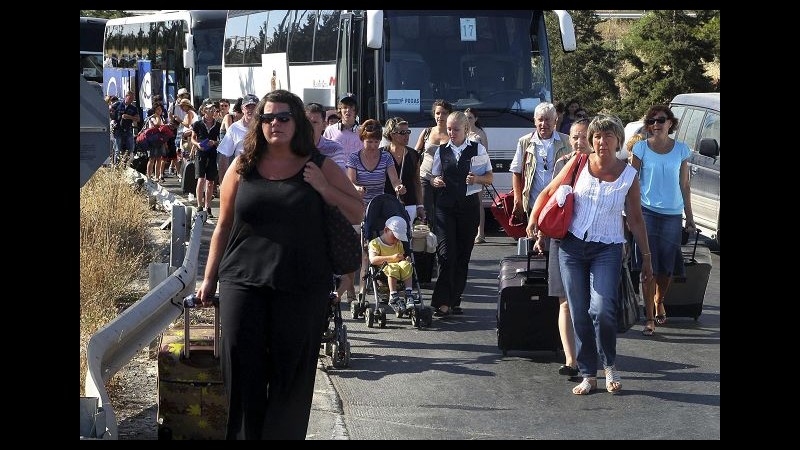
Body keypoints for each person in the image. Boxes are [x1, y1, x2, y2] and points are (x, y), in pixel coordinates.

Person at [196, 90, 362, 439]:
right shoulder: (243, 166)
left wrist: (323, 188)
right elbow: (223, 226)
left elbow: (357, 210)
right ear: (259, 124)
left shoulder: (318, 164)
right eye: (267, 118)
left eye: (283, 117)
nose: (275, 124)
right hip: (243, 281)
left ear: (297, 122)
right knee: (242, 375)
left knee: (291, 378)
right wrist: (208, 279)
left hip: (302, 287)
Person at [527, 115, 653, 395]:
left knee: (602, 308)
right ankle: (588, 373)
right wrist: (534, 219)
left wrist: (646, 256)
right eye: (596, 136)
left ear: (618, 141)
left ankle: (609, 365)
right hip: (571, 247)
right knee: (579, 312)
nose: (601, 141)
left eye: (608, 136)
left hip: (607, 248)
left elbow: (635, 218)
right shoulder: (579, 162)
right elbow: (549, 190)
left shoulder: (629, 174)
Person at [531, 118, 590, 377]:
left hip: (591, 241)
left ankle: (590, 353)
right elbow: (550, 199)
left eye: (584, 136)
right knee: (564, 300)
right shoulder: (562, 164)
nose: (578, 142)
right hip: (561, 238)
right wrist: (540, 231)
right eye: (575, 137)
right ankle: (571, 360)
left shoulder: (601, 167)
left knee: (590, 304)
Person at [630, 105, 695, 336]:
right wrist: (629, 213)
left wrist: (690, 217)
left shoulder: (681, 150)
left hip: (673, 214)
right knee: (648, 265)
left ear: (670, 123)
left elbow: (685, 185)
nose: (655, 125)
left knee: (666, 267)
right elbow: (631, 181)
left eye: (660, 120)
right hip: (646, 212)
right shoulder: (640, 148)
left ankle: (659, 299)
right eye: (651, 121)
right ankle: (649, 317)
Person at [429, 111, 493, 317]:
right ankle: (442, 302)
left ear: (465, 129)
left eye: (456, 129)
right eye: (449, 128)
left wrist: (477, 179)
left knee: (463, 257)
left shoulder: (477, 148)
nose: (451, 132)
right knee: (447, 255)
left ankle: (454, 299)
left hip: (468, 209)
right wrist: (435, 181)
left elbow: (490, 177)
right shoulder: (441, 150)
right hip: (445, 208)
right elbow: (434, 176)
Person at [346, 119, 407, 302]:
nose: (372, 145)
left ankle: (377, 287)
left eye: (375, 141)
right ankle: (350, 289)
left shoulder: (386, 157)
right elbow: (350, 182)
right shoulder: (354, 158)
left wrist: (398, 187)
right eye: (368, 141)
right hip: (358, 205)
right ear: (362, 140)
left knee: (373, 248)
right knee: (353, 249)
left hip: (378, 205)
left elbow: (394, 179)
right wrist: (356, 188)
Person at [510, 102, 572, 221]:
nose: (544, 124)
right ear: (535, 121)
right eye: (540, 120)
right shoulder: (524, 142)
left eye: (548, 120)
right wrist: (517, 200)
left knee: (555, 238)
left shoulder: (567, 141)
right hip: (533, 203)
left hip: (558, 203)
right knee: (534, 237)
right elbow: (516, 171)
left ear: (555, 121)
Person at [368, 216, 418, 314]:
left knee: (406, 265)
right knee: (393, 267)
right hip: (382, 270)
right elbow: (373, 260)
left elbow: (401, 257)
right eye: (394, 237)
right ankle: (393, 295)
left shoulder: (398, 244)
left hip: (399, 269)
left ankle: (408, 293)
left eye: (398, 238)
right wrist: (392, 258)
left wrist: (405, 259)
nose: (396, 240)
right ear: (386, 230)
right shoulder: (375, 243)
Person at [415, 99, 453, 226]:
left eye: (444, 113)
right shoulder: (427, 132)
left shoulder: (453, 134)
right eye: (437, 113)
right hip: (425, 177)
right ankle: (425, 241)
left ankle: (440, 242)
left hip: (445, 180)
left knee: (442, 214)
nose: (440, 116)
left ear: (449, 115)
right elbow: (415, 154)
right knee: (425, 212)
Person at [382, 117, 424, 224]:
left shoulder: (414, 155)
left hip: (409, 203)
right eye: (402, 132)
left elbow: (417, 182)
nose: (407, 135)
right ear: (392, 134)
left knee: (406, 237)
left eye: (408, 132)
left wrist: (420, 206)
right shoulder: (382, 153)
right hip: (386, 202)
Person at [217, 94, 259, 184]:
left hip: (262, 177)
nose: (251, 110)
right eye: (248, 107)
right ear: (242, 109)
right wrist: (223, 183)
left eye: (254, 107)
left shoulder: (264, 127)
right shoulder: (234, 128)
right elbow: (224, 156)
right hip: (243, 177)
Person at [191, 102, 221, 216]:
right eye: (209, 109)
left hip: (212, 153)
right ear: (204, 111)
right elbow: (193, 139)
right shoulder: (198, 124)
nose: (212, 111)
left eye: (213, 109)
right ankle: (199, 205)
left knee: (210, 181)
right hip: (201, 152)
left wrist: (215, 142)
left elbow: (221, 140)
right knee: (200, 179)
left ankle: (207, 206)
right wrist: (197, 145)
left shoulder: (218, 125)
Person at [465, 108, 489, 244]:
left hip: (478, 172)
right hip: (464, 172)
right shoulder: (462, 133)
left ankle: (481, 233)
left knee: (478, 203)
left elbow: (486, 154)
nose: (468, 120)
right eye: (466, 117)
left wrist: (485, 174)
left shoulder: (480, 134)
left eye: (470, 117)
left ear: (475, 119)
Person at [305, 102, 346, 171]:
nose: (309, 126)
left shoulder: (335, 148)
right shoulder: (291, 146)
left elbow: (338, 177)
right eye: (306, 122)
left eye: (315, 122)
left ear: (324, 125)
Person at [111, 90, 140, 164]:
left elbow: (137, 119)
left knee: (131, 148)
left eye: (133, 99)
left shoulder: (133, 108)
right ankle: (116, 166)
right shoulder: (118, 104)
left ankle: (124, 164)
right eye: (130, 98)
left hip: (128, 130)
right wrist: (113, 118)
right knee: (118, 149)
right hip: (118, 130)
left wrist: (129, 117)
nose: (131, 100)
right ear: (126, 97)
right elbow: (109, 110)